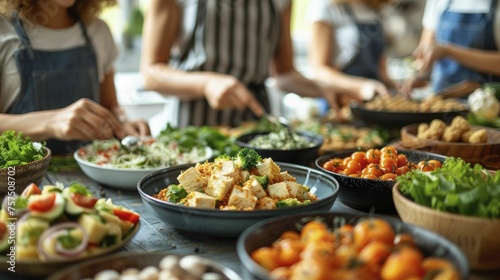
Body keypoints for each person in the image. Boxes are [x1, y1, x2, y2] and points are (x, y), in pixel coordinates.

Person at [140, 0, 346, 128]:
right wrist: (207, 84)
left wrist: (321, 89)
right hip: (192, 133)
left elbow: (284, 75)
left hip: (255, 130)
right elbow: (151, 73)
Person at [0, 0, 150, 155]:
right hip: (20, 176)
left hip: (89, 175)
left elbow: (110, 108)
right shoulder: (3, 30)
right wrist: (51, 123)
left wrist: (123, 124)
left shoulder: (98, 30)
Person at [402, 0, 500, 94]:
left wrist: (447, 51)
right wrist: (419, 75)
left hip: (488, 104)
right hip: (440, 102)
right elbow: (426, 48)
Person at [306, 0, 396, 103]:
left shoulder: (376, 8)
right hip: (340, 102)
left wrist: (395, 86)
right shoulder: (325, 5)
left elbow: (381, 71)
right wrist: (361, 86)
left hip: (376, 101)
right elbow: (318, 70)